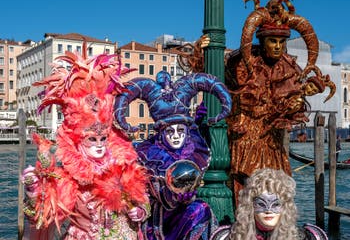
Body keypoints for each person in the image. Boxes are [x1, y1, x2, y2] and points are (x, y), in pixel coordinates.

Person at [21, 45, 149, 240]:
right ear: (78, 141)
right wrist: (34, 191)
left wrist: (139, 212)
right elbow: (42, 218)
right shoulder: (68, 179)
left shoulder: (124, 167)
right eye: (92, 139)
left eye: (102, 138)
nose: (99, 144)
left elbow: (143, 202)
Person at [223, 0, 336, 204]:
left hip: (272, 143)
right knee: (246, 192)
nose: (277, 46)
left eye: (280, 42)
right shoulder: (241, 64)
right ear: (262, 41)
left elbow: (288, 107)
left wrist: (296, 104)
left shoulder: (288, 69)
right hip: (244, 138)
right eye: (272, 41)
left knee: (274, 191)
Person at [114, 70, 232, 239]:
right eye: (170, 131)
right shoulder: (150, 157)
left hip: (186, 213)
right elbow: (144, 195)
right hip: (160, 220)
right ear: (162, 133)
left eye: (181, 130)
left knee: (201, 208)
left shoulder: (192, 151)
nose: (176, 136)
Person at [210, 168, 328, 240]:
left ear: (285, 207)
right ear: (250, 206)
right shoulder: (228, 237)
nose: (268, 210)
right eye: (261, 204)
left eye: (276, 204)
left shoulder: (305, 237)